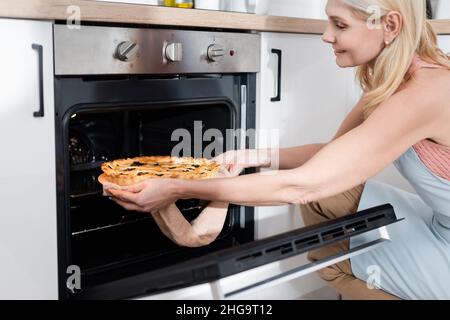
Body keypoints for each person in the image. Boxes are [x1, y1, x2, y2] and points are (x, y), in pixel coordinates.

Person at [108, 0, 450, 300]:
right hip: (438, 221)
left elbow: (302, 185)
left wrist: (177, 188)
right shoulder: (395, 78)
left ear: (389, 25)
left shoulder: (425, 92)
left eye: (340, 24)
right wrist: (256, 156)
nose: (326, 35)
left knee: (326, 244)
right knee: (329, 204)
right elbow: (335, 154)